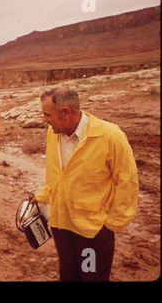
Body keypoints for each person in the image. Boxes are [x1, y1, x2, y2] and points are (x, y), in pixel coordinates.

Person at [31, 85, 138, 281]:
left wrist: (111, 225)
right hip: (61, 225)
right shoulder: (53, 133)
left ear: (65, 112)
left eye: (47, 115)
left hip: (92, 231)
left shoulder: (110, 136)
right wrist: (42, 196)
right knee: (69, 276)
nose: (44, 120)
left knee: (90, 277)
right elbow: (58, 175)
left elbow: (127, 182)